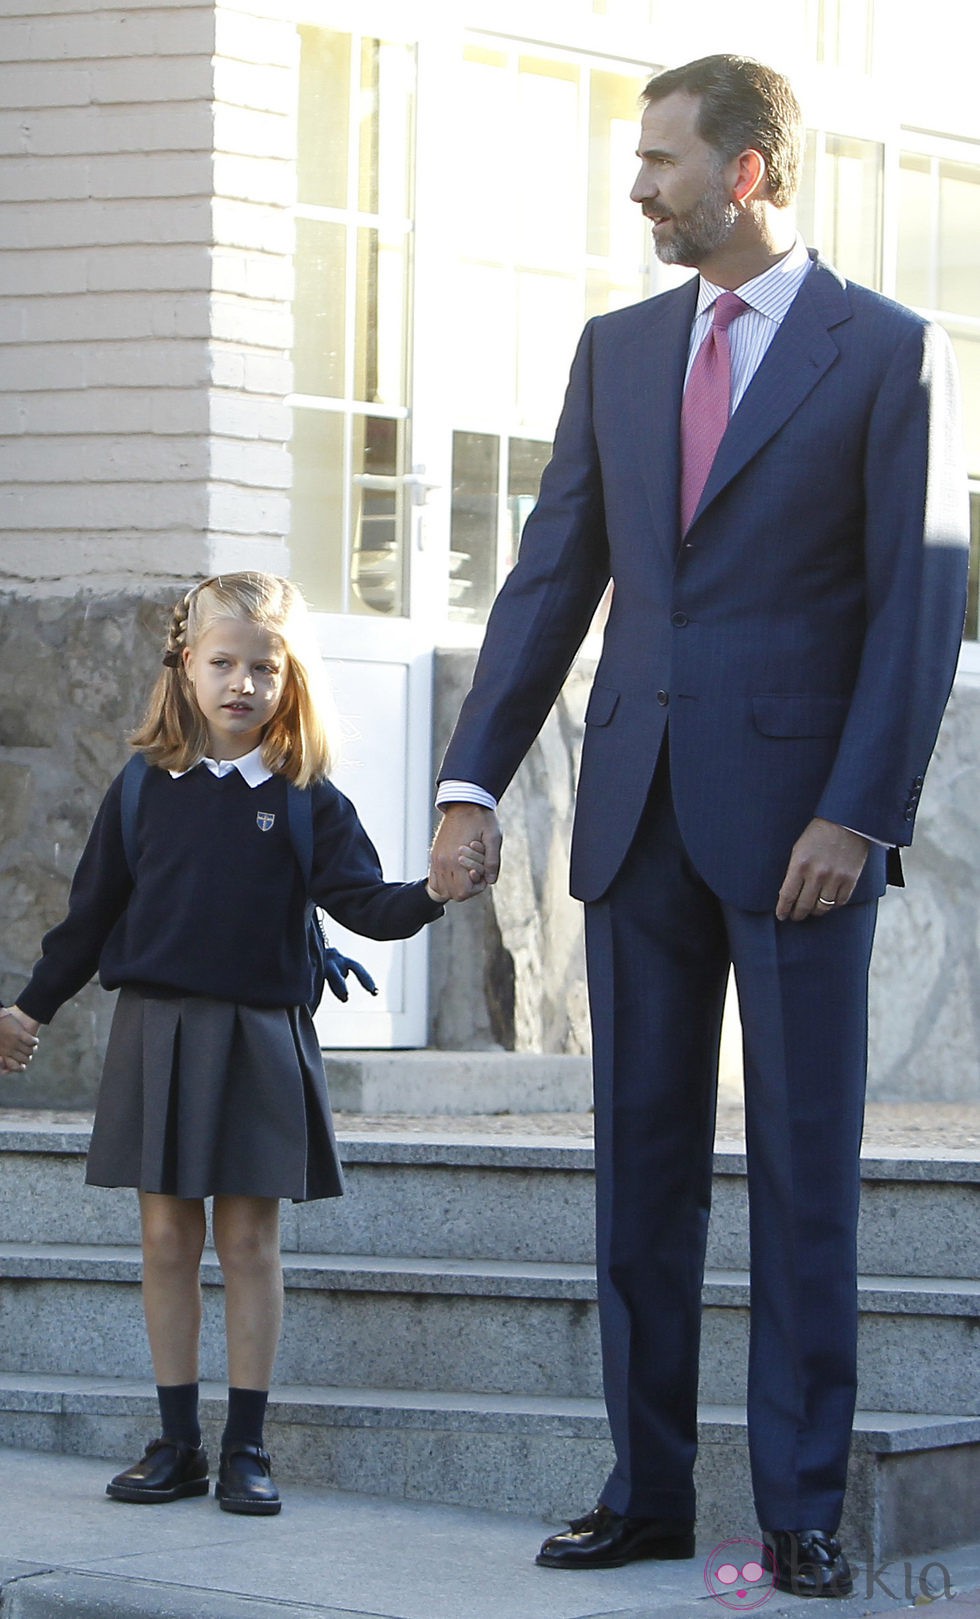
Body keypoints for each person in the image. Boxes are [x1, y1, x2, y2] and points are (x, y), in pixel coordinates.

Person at [428, 54, 968, 1597]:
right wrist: (473, 779)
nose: (639, 187)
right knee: (637, 1170)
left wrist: (858, 810)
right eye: (639, 160)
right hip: (636, 819)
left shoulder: (890, 352)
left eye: (663, 160)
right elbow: (551, 581)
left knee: (806, 1171)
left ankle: (798, 1505)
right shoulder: (617, 350)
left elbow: (919, 607)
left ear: (748, 171)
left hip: (805, 830)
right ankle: (646, 1485)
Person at [0, 571, 482, 1515]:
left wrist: (431, 892)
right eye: (223, 663)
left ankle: (246, 1443)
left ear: (289, 678)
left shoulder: (307, 798)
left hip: (262, 1036)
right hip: (158, 1032)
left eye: (265, 667)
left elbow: (366, 904)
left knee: (250, 1237)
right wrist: (28, 1009)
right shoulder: (143, 789)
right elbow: (88, 916)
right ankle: (175, 1441)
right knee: (166, 1234)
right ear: (186, 666)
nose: (243, 684)